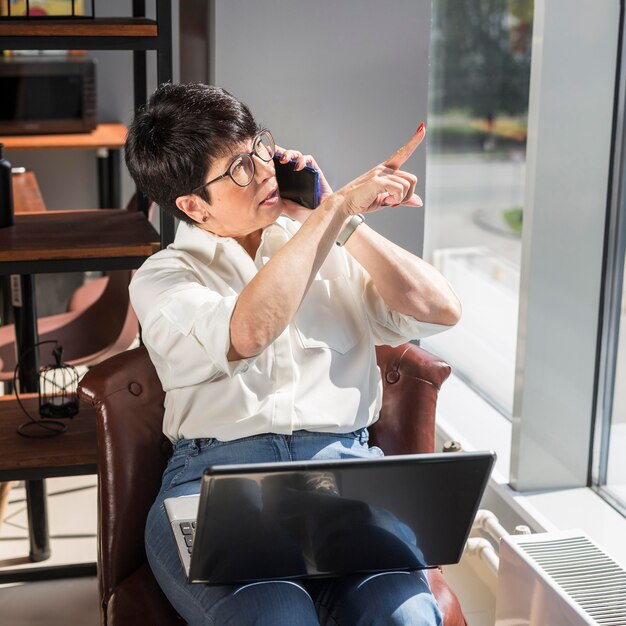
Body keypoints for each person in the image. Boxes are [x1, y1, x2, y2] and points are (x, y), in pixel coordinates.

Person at [125, 82, 461, 626]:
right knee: (277, 616)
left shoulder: (325, 236)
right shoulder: (163, 278)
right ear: (192, 205)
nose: (262, 169)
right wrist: (334, 211)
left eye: (260, 146)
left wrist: (337, 220)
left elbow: (439, 308)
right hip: (216, 485)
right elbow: (249, 332)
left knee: (405, 619)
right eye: (237, 167)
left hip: (344, 482)